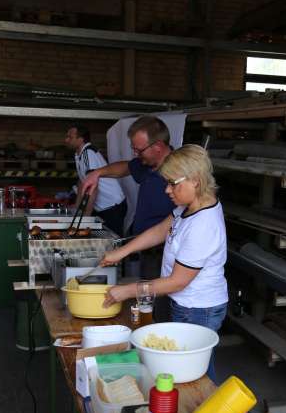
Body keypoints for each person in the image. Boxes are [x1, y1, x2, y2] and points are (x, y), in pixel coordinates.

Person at [99, 144, 228, 381]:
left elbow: (178, 282)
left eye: (173, 183)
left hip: (199, 309)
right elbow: (160, 230)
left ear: (195, 180)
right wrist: (121, 252)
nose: (167, 190)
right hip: (187, 304)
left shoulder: (203, 226)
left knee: (197, 376)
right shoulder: (189, 206)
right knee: (186, 369)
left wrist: (127, 291)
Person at [81, 116, 175, 235]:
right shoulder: (147, 164)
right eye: (133, 149)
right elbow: (126, 167)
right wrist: (97, 173)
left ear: (158, 147)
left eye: (139, 150)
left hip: (160, 247)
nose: (135, 154)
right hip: (139, 242)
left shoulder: (180, 172)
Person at [65, 124, 126, 236]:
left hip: (112, 205)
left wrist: (86, 216)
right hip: (103, 206)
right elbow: (82, 182)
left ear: (81, 139)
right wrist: (77, 208)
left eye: (70, 137)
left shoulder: (88, 154)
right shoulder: (79, 154)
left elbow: (94, 186)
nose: (66, 140)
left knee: (113, 240)